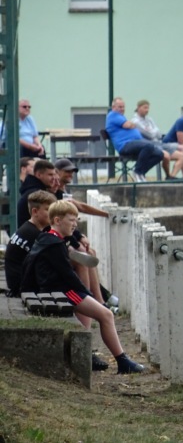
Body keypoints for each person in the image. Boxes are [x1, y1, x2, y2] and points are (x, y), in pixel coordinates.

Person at [21, 200, 145, 374]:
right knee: (106, 315)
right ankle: (123, 362)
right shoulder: (55, 245)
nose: (75, 224)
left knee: (97, 310)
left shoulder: (47, 236)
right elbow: (69, 276)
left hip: (53, 289)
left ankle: (95, 353)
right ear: (57, 220)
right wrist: (89, 296)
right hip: (59, 291)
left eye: (76, 220)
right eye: (71, 220)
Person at [55, 158, 109, 305]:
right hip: (61, 242)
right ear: (56, 172)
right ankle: (92, 301)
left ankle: (99, 300)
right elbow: (63, 222)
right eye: (67, 171)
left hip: (65, 237)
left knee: (88, 254)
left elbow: (80, 207)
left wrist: (106, 214)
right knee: (84, 257)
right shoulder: (56, 195)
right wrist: (77, 238)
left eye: (72, 171)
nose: (70, 174)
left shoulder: (64, 192)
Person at [4, 190, 56, 297]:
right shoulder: (33, 234)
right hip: (21, 286)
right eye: (47, 209)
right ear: (35, 212)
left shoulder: (27, 228)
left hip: (17, 283)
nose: (52, 214)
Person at [105, 97, 163, 182]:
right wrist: (132, 125)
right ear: (113, 107)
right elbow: (128, 125)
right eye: (120, 107)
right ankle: (137, 172)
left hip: (134, 144)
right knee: (148, 146)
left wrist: (132, 125)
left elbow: (130, 125)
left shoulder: (120, 116)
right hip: (125, 145)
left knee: (159, 154)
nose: (122, 109)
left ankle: (141, 172)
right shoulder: (113, 115)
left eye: (123, 107)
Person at [131, 100, 183, 179]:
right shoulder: (135, 121)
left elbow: (158, 133)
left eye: (148, 108)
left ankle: (172, 176)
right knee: (166, 156)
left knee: (182, 155)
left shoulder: (149, 119)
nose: (147, 110)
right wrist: (153, 131)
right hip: (149, 146)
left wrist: (152, 130)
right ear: (138, 108)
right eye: (145, 108)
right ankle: (167, 175)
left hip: (159, 143)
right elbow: (150, 135)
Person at [17, 159, 56, 227]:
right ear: (39, 175)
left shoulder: (29, 190)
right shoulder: (37, 195)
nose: (54, 178)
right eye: (50, 175)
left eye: (54, 175)